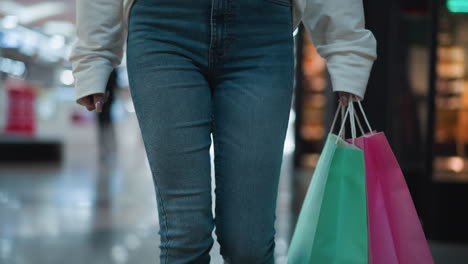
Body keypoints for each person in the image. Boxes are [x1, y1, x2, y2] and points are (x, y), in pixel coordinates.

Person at [69, 0, 377, 263]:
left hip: (262, 28)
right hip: (162, 27)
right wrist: (94, 54)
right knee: (184, 234)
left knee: (250, 244)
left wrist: (347, 49)